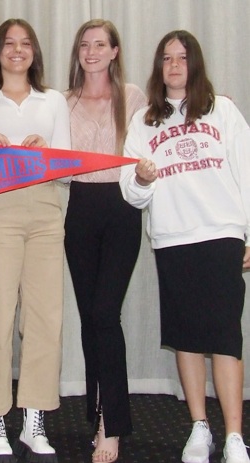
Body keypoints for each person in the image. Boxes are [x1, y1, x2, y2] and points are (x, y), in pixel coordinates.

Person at [120, 30, 250, 463]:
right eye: (166, 59)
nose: (174, 66)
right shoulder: (143, 122)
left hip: (221, 234)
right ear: (159, 67)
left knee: (226, 339)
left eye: (182, 58)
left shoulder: (223, 110)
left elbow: (246, 172)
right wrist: (142, 178)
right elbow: (131, 193)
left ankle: (234, 435)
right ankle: (199, 427)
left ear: (195, 64)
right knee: (188, 339)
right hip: (174, 239)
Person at [0, 18, 71, 463]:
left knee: (45, 319)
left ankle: (34, 417)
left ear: (35, 53)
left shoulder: (54, 100)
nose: (17, 50)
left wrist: (44, 150)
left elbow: (65, 165)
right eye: (9, 43)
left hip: (46, 211)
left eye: (26, 44)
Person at [63, 19, 147, 463]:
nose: (91, 51)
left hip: (120, 210)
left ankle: (112, 424)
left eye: (100, 45)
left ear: (115, 51)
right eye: (84, 45)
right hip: (78, 209)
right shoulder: (64, 101)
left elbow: (170, 123)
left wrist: (211, 107)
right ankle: (97, 409)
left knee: (104, 313)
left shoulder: (133, 97)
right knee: (89, 316)